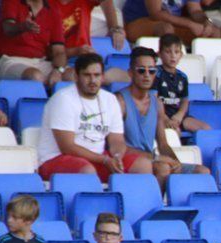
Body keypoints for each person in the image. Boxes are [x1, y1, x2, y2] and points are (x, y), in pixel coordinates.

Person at [37, 54, 153, 181]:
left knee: (143, 165)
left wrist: (117, 157)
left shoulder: (110, 99)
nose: (92, 80)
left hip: (98, 159)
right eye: (87, 75)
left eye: (97, 75)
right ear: (76, 76)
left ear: (103, 77)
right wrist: (104, 160)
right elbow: (67, 147)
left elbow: (116, 140)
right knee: (87, 171)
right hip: (56, 159)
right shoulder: (63, 99)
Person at [116, 47, 210, 191]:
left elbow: (163, 143)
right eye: (141, 70)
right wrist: (156, 158)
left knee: (202, 172)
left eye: (152, 71)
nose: (147, 75)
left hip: (152, 159)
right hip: (130, 161)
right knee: (163, 168)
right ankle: (154, 207)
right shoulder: (120, 101)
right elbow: (117, 146)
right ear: (131, 73)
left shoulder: (157, 103)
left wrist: (175, 162)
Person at [0, 0, 71, 84]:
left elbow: (59, 52)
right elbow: (8, 29)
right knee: (35, 76)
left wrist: (58, 71)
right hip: (8, 61)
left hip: (40, 62)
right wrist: (23, 27)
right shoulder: (11, 2)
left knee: (71, 75)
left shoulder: (53, 10)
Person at [55, 0, 130, 84]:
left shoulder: (83, 2)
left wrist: (115, 27)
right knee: (73, 77)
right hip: (63, 63)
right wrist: (76, 51)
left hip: (89, 61)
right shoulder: (47, 6)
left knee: (128, 77)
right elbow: (48, 52)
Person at [154, 34, 210, 134]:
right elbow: (154, 99)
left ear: (181, 55)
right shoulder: (156, 74)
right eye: (168, 52)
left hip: (178, 117)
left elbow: (184, 100)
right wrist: (165, 119)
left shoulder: (182, 77)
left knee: (205, 128)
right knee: (175, 132)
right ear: (160, 54)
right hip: (161, 116)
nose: (173, 56)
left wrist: (179, 115)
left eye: (176, 52)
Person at [123, 0, 221, 44]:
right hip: (137, 22)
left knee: (214, 32)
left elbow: (195, 11)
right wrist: (190, 24)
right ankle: (163, 73)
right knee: (166, 30)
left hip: (172, 23)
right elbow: (156, 14)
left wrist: (206, 21)